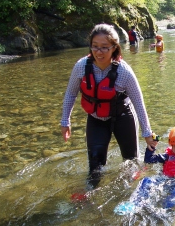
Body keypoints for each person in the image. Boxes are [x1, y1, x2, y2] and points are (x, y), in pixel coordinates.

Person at [60, 23, 156, 188]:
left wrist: (147, 132)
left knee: (131, 162)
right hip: (96, 118)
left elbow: (138, 101)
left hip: (123, 116)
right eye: (95, 46)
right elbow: (70, 94)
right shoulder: (81, 67)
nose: (98, 52)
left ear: (114, 47)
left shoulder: (124, 72)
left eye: (104, 47)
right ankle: (90, 196)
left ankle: (130, 193)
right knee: (95, 165)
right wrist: (65, 121)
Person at [114, 124, 175, 214]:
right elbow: (149, 160)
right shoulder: (167, 156)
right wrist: (151, 147)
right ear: (171, 146)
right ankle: (135, 203)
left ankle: (165, 210)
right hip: (165, 180)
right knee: (146, 181)